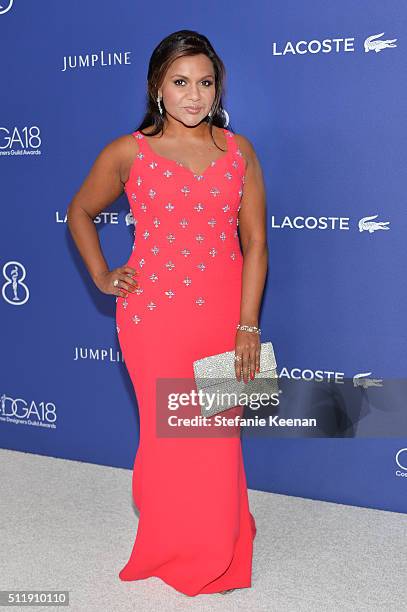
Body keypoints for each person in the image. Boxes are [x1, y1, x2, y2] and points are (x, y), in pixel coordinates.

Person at [67, 29, 268, 597]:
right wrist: (104, 276)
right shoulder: (127, 151)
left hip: (226, 317)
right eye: (181, 82)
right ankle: (172, 543)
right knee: (169, 436)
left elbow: (256, 244)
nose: (195, 95)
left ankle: (223, 544)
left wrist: (248, 326)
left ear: (218, 88)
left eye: (205, 82)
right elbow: (79, 210)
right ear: (158, 86)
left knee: (219, 434)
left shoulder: (240, 151)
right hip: (152, 317)